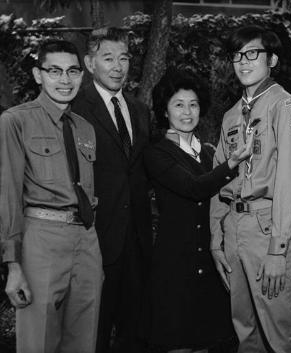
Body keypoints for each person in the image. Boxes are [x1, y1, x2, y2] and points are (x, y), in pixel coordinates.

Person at [210, 25, 291, 353]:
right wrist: (216, 236)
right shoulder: (231, 116)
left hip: (267, 228)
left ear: (272, 59)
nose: (243, 61)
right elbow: (219, 179)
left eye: (252, 53)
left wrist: (277, 249)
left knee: (281, 332)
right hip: (234, 229)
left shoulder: (284, 107)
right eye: (237, 55)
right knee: (245, 330)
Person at [0, 39, 102, 353]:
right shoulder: (15, 121)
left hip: (86, 239)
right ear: (37, 74)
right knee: (38, 342)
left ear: (82, 75)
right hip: (41, 241)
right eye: (54, 71)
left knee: (83, 342)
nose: (65, 79)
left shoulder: (85, 128)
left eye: (72, 71)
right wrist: (12, 265)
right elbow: (8, 194)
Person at [143, 69, 254, 353]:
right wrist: (231, 163)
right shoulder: (156, 152)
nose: (187, 112)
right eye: (178, 104)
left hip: (211, 263)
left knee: (209, 340)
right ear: (165, 111)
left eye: (193, 104)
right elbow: (193, 187)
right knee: (178, 341)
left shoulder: (208, 153)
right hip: (175, 266)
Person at [72, 27, 152, 353]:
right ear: (91, 63)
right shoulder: (76, 108)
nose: (118, 66)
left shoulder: (140, 110)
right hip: (96, 240)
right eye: (109, 58)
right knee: (95, 331)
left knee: (135, 331)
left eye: (124, 58)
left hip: (137, 239)